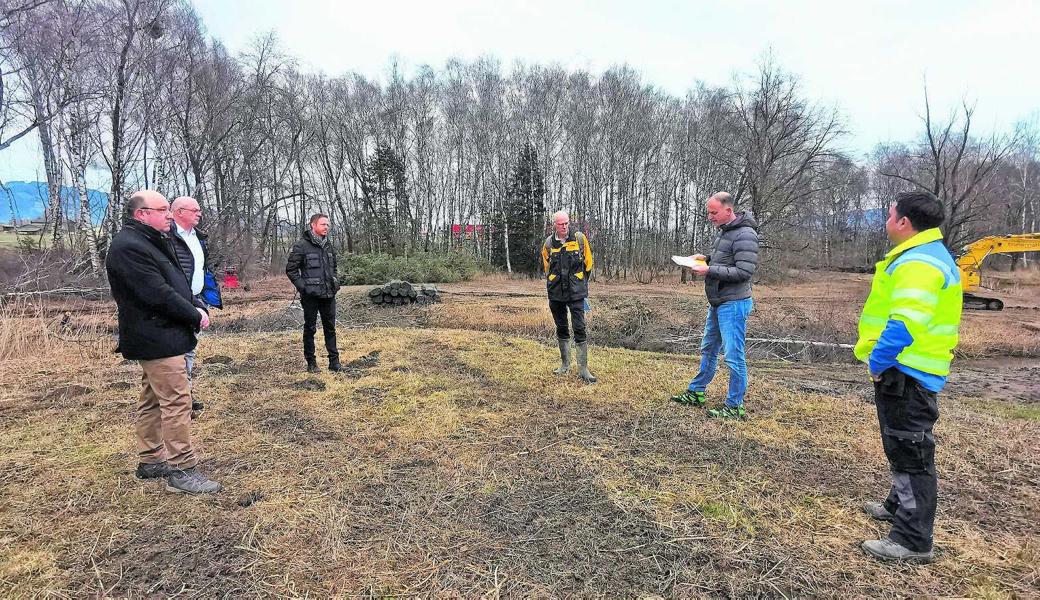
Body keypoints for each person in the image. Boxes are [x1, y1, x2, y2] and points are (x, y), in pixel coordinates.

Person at [855, 191, 962, 563]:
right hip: (908, 371)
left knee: (911, 452)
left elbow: (904, 324)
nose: (886, 222)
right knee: (902, 444)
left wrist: (878, 361)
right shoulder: (923, 255)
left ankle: (913, 539)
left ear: (903, 222)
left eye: (889, 215)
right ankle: (897, 505)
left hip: (907, 372)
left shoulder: (919, 263)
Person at [105, 190, 221, 495]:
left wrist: (197, 303)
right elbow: (157, 293)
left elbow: (177, 283)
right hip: (156, 335)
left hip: (161, 333)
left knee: (153, 398)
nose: (168, 215)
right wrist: (194, 315)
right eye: (162, 210)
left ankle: (151, 460)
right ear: (142, 213)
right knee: (177, 400)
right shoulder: (129, 247)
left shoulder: (152, 241)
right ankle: (182, 470)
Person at [670, 192, 759, 419]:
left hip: (734, 303)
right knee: (709, 349)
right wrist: (706, 259)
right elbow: (726, 259)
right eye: (708, 212)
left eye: (713, 212)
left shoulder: (745, 234)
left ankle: (734, 406)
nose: (709, 217)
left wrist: (709, 270)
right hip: (718, 302)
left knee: (733, 355)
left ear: (728, 210)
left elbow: (744, 271)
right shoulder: (726, 232)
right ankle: (696, 392)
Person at [168, 196, 222, 419]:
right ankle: (179, 401)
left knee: (190, 349)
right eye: (195, 210)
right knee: (177, 352)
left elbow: (202, 268)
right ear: (179, 212)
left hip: (197, 299)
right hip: (178, 301)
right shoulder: (168, 238)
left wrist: (206, 299)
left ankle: (186, 396)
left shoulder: (197, 238)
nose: (200, 213)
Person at [541, 210, 596, 383]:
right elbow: (546, 268)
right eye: (561, 224)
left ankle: (583, 369)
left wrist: (580, 283)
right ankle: (565, 364)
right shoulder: (549, 243)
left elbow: (588, 264)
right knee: (561, 327)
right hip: (556, 293)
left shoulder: (579, 239)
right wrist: (553, 282)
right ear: (554, 225)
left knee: (579, 327)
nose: (565, 226)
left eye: (566, 223)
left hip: (576, 292)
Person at [286, 213, 342, 373]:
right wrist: (303, 287)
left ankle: (334, 362)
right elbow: (291, 270)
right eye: (323, 224)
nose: (326, 228)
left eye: (328, 225)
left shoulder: (329, 246)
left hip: (328, 294)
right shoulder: (301, 246)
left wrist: (335, 281)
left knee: (330, 328)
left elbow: (334, 268)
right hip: (310, 296)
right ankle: (311, 363)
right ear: (313, 225)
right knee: (310, 328)